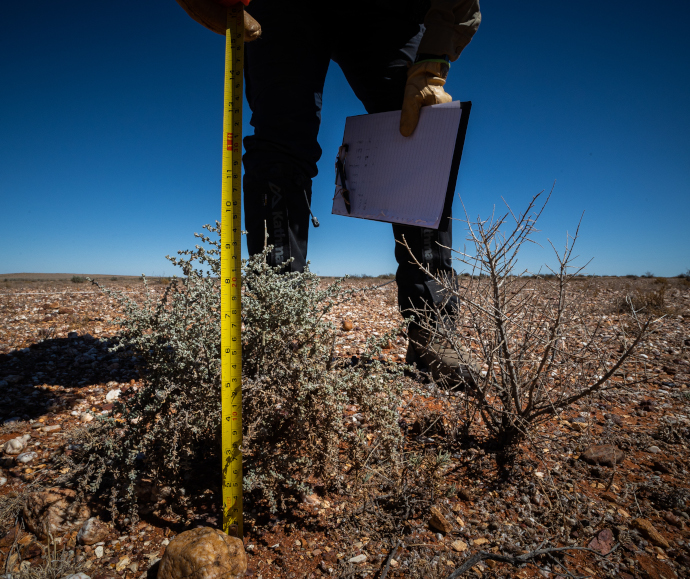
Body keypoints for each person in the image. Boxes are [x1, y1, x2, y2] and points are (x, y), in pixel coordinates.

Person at [174, 0, 481, 385]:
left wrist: (435, 58)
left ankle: (431, 330)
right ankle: (278, 326)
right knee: (279, 146)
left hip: (389, 10)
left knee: (420, 128)